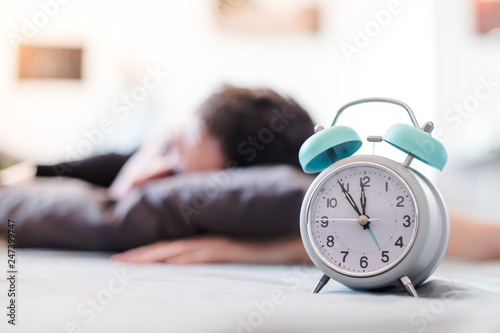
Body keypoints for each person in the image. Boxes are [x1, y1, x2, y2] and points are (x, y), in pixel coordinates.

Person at [2, 85, 500, 264]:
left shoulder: (266, 195)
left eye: (179, 178)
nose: (148, 175)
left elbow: (486, 238)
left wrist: (290, 247)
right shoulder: (120, 159)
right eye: (169, 147)